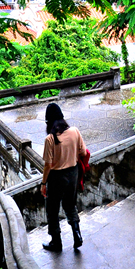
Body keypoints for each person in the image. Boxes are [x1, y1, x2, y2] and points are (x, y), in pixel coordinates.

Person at [40, 104, 88, 252]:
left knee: (52, 209)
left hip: (56, 177)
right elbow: (83, 153)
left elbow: (48, 166)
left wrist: (43, 183)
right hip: (73, 173)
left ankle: (56, 242)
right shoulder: (74, 131)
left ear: (48, 122)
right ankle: (77, 234)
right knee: (70, 204)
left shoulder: (50, 139)